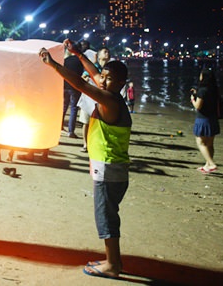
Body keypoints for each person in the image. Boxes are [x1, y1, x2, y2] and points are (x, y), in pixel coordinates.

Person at [39, 39, 131, 279]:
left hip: (109, 170)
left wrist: (53, 65)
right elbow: (94, 74)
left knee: (106, 218)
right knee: (108, 215)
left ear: (121, 84)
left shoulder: (110, 100)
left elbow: (81, 83)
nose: (102, 79)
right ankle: (112, 260)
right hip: (113, 169)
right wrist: (78, 54)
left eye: (109, 78)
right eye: (103, 75)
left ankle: (113, 265)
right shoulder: (110, 92)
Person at [78, 47, 111, 152]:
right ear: (99, 55)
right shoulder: (94, 67)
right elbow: (84, 76)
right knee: (86, 121)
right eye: (105, 52)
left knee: (101, 123)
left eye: (108, 52)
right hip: (89, 98)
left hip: (102, 99)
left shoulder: (110, 68)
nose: (107, 54)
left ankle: (98, 143)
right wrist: (85, 78)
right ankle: (85, 144)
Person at [190, 68, 219, 174]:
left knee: (200, 142)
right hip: (213, 119)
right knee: (210, 144)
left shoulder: (203, 90)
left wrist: (193, 99)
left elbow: (198, 106)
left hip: (203, 119)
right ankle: (207, 165)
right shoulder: (214, 89)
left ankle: (211, 164)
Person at [62, 47, 84, 138]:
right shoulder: (80, 61)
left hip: (64, 86)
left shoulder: (65, 60)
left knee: (64, 107)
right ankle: (71, 131)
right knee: (73, 109)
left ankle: (59, 126)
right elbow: (81, 73)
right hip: (75, 86)